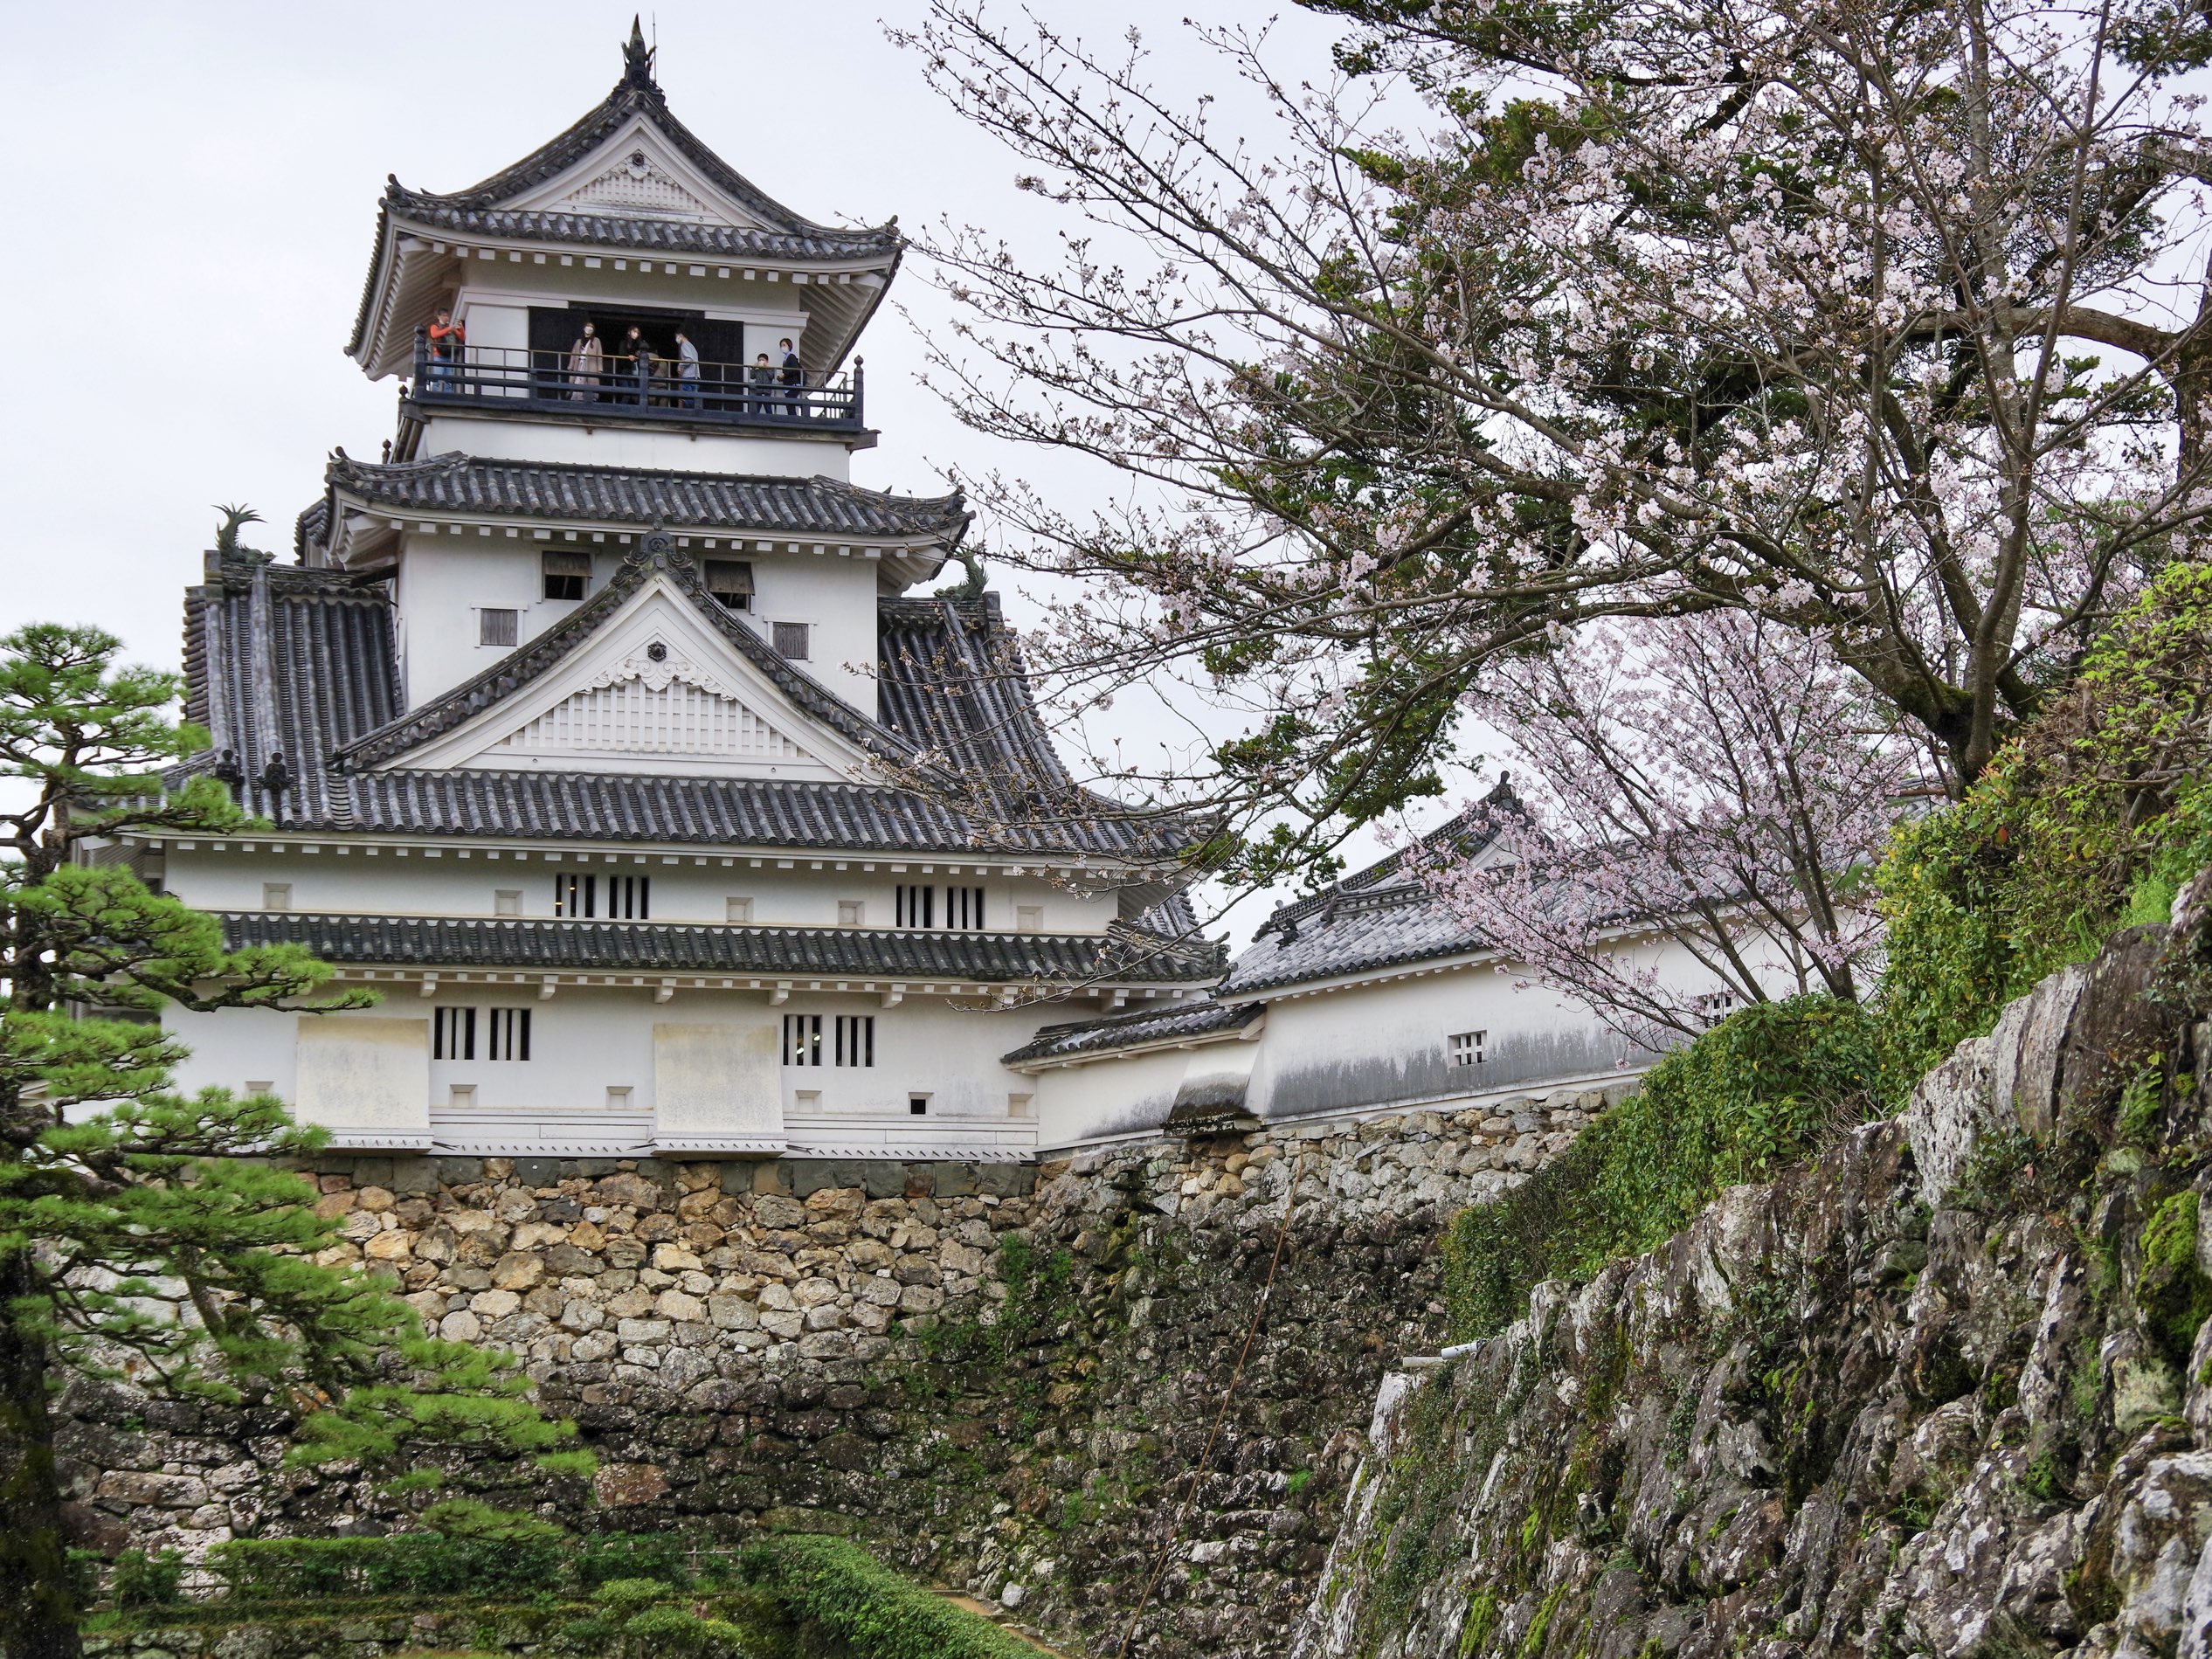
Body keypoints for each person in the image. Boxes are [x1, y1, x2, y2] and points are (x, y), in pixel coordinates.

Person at [426, 308, 465, 391]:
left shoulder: (451, 328)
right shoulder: (435, 326)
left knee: (448, 378)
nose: (446, 318)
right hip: (439, 355)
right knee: (438, 376)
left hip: (449, 355)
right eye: (444, 316)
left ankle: (448, 394)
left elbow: (462, 337)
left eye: (447, 316)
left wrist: (461, 328)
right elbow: (434, 335)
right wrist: (448, 329)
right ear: (439, 317)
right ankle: (434, 393)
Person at [565, 321, 603, 402]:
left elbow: (599, 355)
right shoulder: (579, 341)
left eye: (591, 327)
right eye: (587, 326)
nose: (589, 329)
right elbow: (573, 354)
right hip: (579, 364)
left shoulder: (596, 341)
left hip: (591, 365)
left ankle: (591, 398)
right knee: (578, 380)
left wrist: (599, 369)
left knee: (590, 381)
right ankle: (576, 397)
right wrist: (571, 366)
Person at [619, 326, 650, 405]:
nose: (636, 334)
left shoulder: (638, 344)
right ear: (629, 332)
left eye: (637, 332)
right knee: (627, 392)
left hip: (634, 370)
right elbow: (621, 353)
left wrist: (638, 354)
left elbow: (645, 347)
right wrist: (628, 356)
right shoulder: (624, 342)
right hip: (624, 370)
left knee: (635, 393)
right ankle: (620, 410)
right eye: (634, 331)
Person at [673, 329, 702, 410]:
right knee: (694, 397)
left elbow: (689, 360)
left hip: (688, 376)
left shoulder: (684, 345)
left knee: (687, 398)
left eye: (676, 337)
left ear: (680, 335)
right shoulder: (692, 346)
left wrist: (680, 365)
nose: (677, 339)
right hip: (696, 376)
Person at [778, 337, 804, 418]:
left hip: (793, 384)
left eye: (784, 345)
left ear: (789, 346)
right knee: (789, 405)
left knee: (790, 404)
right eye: (781, 345)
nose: (782, 347)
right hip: (789, 385)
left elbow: (795, 369)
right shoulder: (785, 359)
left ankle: (793, 421)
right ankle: (792, 419)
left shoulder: (791, 356)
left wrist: (784, 375)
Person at [749, 351, 776, 418]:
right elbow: (751, 376)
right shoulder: (757, 370)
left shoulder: (771, 369)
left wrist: (767, 368)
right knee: (756, 409)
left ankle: (771, 422)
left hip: (767, 392)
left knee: (768, 409)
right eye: (759, 360)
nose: (761, 361)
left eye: (763, 360)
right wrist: (753, 368)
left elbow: (771, 376)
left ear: (767, 361)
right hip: (758, 391)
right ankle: (754, 421)